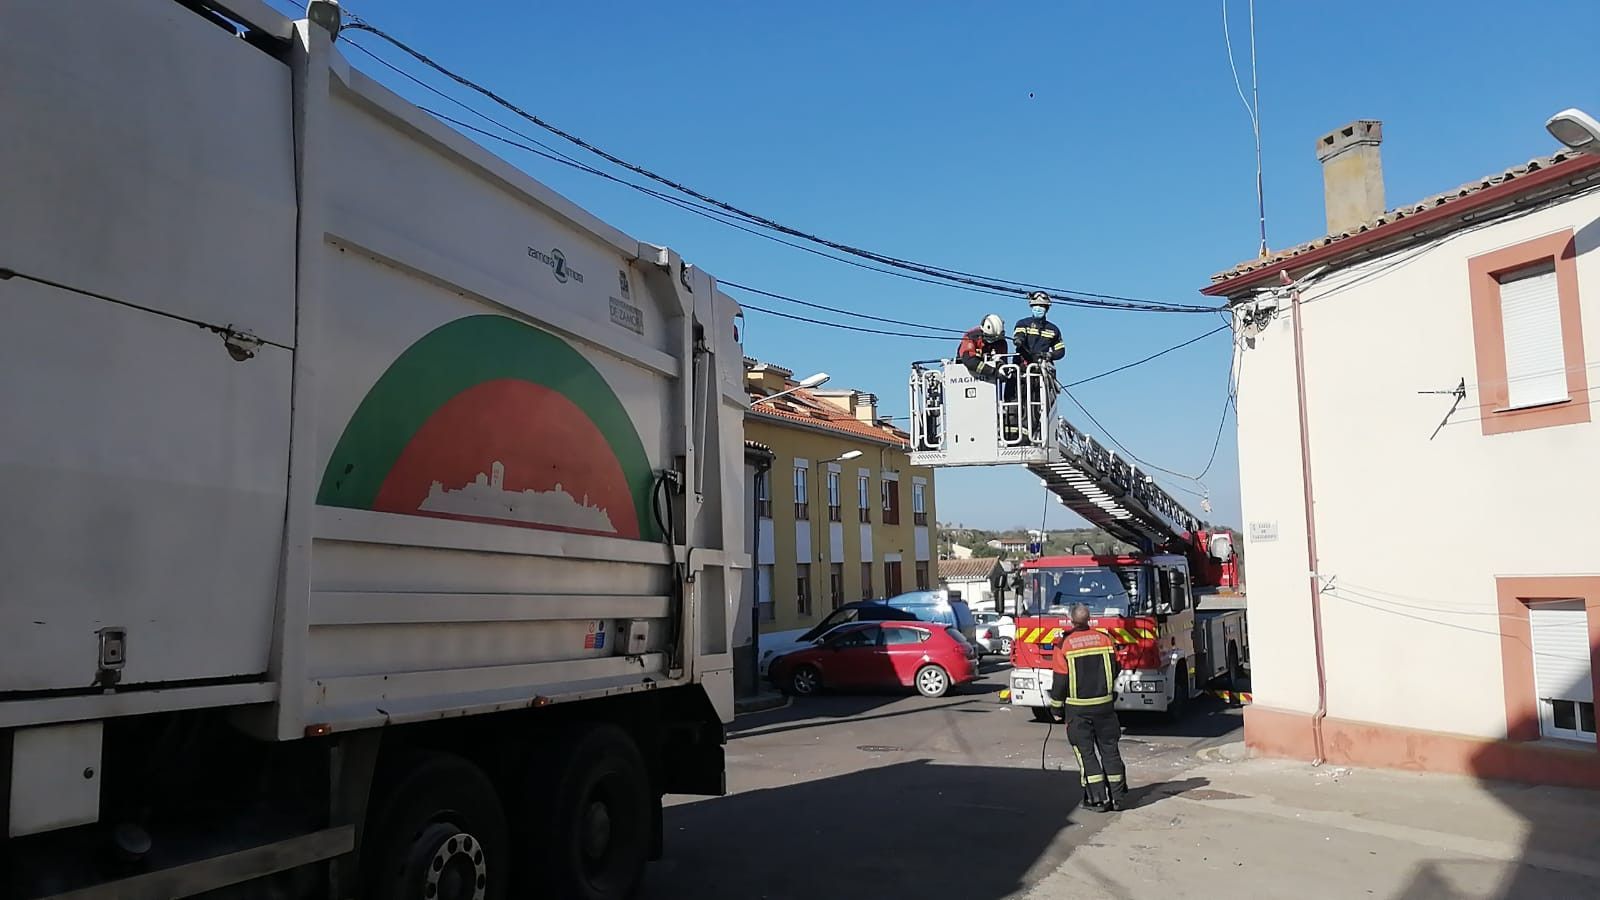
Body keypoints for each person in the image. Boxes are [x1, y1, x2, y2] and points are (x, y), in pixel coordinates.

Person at [1047, 603, 1128, 811]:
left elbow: (1060, 681)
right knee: (1110, 750)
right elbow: (1117, 666)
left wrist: (1056, 709)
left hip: (1078, 710)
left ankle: (1098, 799)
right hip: (1105, 707)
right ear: (1089, 619)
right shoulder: (1105, 639)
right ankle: (1118, 798)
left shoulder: (1064, 644)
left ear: (1071, 620)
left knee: (1087, 754)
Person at [1012, 292, 1064, 441]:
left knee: (1039, 404)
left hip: (1041, 371)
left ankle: (1034, 433)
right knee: (1019, 401)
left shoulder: (1053, 329)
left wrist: (1050, 355)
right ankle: (1017, 434)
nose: (1038, 308)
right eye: (1036, 306)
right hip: (1023, 370)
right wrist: (1018, 341)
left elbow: (1061, 350)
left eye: (1041, 306)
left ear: (1047, 308)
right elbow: (1019, 336)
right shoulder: (1023, 323)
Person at [956, 314, 1008, 381]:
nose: (993, 341)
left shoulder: (1001, 342)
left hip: (991, 382)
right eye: (990, 337)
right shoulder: (971, 337)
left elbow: (1003, 362)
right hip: (965, 377)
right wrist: (993, 371)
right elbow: (969, 361)